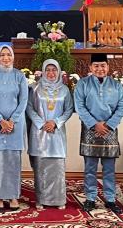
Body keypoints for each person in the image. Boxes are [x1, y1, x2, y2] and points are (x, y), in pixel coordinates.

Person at [73, 52, 123, 213]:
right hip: (91, 130)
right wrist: (94, 124)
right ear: (91, 67)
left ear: (108, 67)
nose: (100, 69)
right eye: (96, 66)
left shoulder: (116, 85)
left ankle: (110, 199)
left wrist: (108, 125)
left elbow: (122, 106)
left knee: (109, 168)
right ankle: (90, 197)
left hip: (110, 130)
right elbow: (79, 107)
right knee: (90, 167)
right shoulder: (83, 84)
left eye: (103, 65)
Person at [0, 44, 28, 211]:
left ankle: (13, 196)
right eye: (2, 55)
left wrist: (12, 121)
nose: (5, 58)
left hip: (15, 125)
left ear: (13, 56)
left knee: (12, 162)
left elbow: (23, 100)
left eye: (8, 54)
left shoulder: (20, 76)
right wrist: (1, 121)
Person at [26, 59, 74, 210]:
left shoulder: (65, 90)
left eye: (54, 70)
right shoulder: (35, 88)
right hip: (40, 134)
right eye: (48, 70)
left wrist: (56, 122)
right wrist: (42, 123)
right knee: (41, 168)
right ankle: (41, 199)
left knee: (57, 168)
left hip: (57, 133)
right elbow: (29, 108)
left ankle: (59, 200)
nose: (51, 73)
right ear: (43, 72)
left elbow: (69, 109)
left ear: (59, 72)